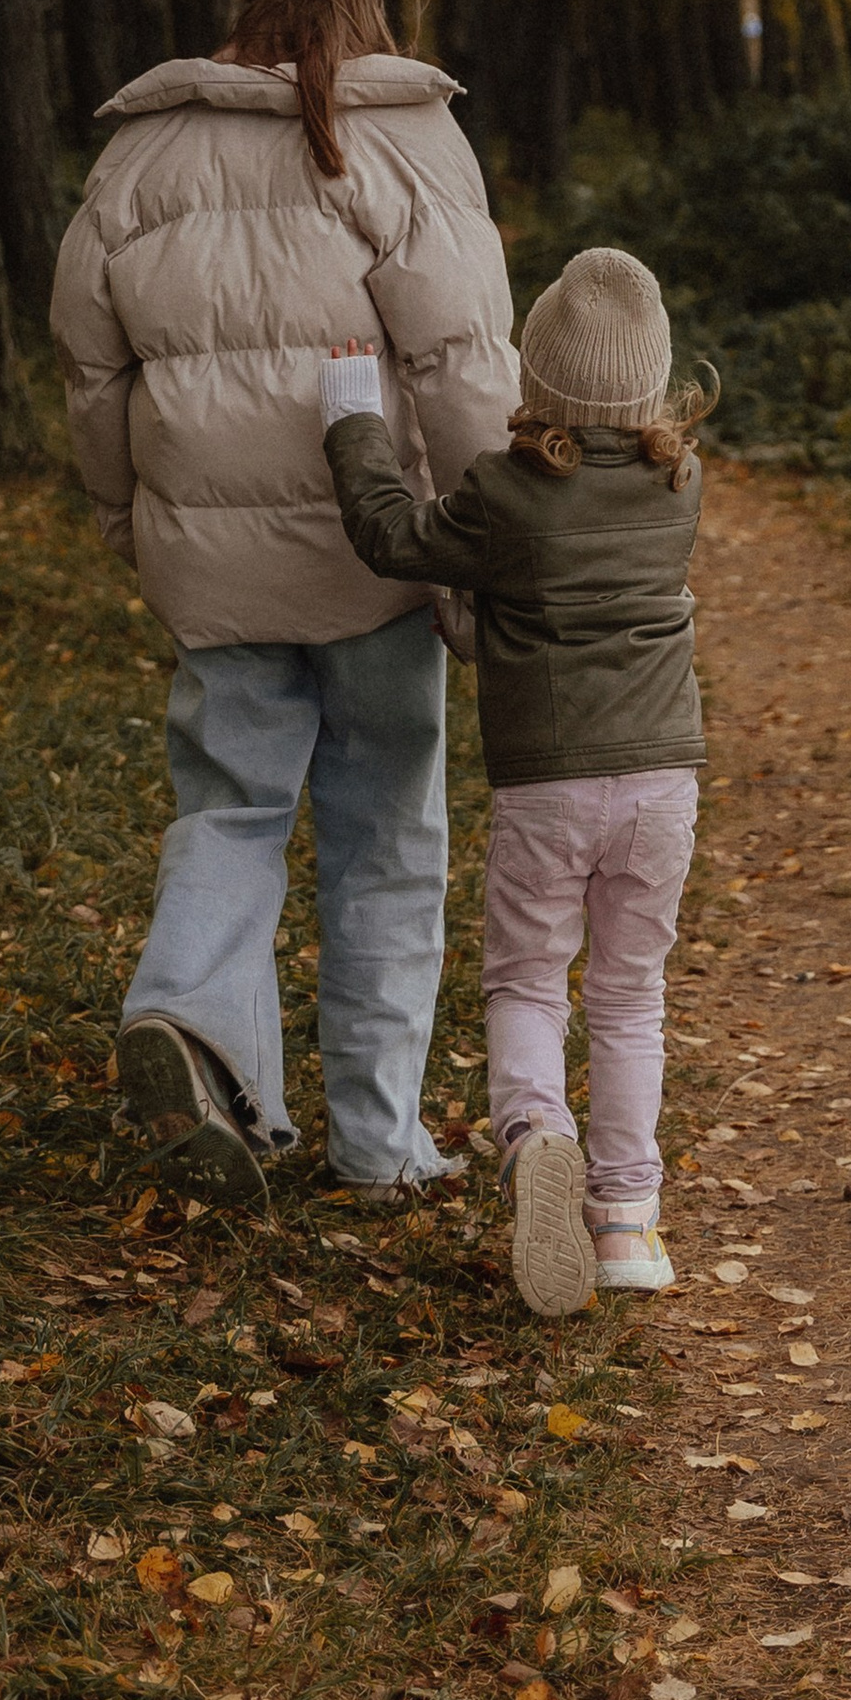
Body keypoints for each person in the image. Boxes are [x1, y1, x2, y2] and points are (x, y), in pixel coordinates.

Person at [51, 0, 518, 1204]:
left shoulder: (143, 153)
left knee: (233, 809)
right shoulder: (408, 141)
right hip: (378, 569)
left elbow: (90, 371)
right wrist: (485, 558)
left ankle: (191, 1015)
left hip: (218, 579)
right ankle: (379, 1145)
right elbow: (466, 371)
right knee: (387, 840)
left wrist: (127, 518)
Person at [319, 246, 706, 1315]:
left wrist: (355, 419)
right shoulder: (682, 485)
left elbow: (395, 538)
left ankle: (537, 1135)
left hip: (549, 787)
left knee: (529, 979)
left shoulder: (506, 494)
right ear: (654, 382)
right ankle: (627, 1223)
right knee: (631, 997)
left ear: (535, 380)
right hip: (663, 784)